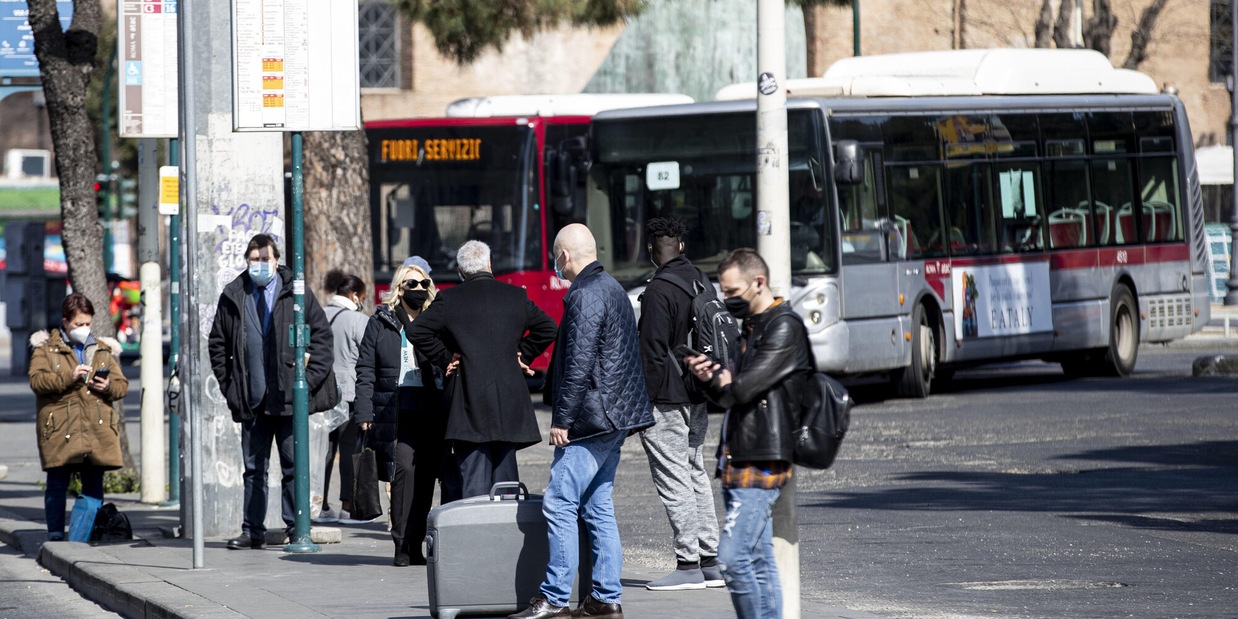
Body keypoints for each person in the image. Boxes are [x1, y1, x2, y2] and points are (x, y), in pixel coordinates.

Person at [510, 224, 654, 619]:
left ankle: (554, 598)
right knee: (596, 505)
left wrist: (562, 419)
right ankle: (605, 597)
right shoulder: (610, 288)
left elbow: (580, 362)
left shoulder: (585, 294)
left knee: (559, 502)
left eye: (556, 255)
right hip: (615, 414)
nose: (556, 263)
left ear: (565, 256)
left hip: (592, 418)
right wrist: (542, 379)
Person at [686, 248, 813, 619]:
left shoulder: (783, 326)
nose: (727, 300)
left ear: (759, 283)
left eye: (732, 292)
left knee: (732, 559)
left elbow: (742, 389)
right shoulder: (753, 327)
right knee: (757, 559)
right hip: (740, 455)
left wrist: (727, 380)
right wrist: (709, 376)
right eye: (723, 293)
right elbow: (730, 395)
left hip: (761, 458)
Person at [208, 233, 334, 550]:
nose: (260, 265)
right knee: (253, 471)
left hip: (289, 398)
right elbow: (218, 345)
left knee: (293, 467)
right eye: (254, 259)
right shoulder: (234, 294)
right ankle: (253, 530)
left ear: (276, 261)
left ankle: (296, 527)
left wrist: (308, 382)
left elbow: (322, 340)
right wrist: (231, 389)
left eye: (265, 259)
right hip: (252, 400)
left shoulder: (297, 294)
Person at [408, 240, 557, 502]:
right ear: (490, 264)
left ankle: (474, 541)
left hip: (468, 403)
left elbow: (416, 330)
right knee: (507, 485)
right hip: (509, 403)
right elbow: (548, 328)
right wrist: (522, 354)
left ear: (461, 271)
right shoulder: (515, 296)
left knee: (473, 486)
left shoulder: (449, 299)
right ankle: (505, 540)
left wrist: (445, 358)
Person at [635, 217, 723, 591]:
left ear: (652, 250)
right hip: (699, 392)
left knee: (673, 477)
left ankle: (687, 564)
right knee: (694, 470)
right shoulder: (702, 280)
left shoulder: (658, 291)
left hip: (667, 399)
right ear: (682, 246)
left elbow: (651, 353)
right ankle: (710, 561)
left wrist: (645, 404)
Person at [354, 257, 447, 566]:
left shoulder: (436, 320)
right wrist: (364, 412)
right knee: (404, 470)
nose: (418, 289)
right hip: (397, 409)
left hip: (432, 409)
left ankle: (417, 542)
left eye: (424, 284)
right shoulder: (381, 322)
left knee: (427, 477)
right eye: (411, 283)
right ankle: (401, 544)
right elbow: (366, 369)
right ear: (399, 288)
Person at [29, 293, 129, 542]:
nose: (84, 329)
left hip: (95, 427)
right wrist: (69, 376)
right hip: (61, 427)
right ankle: (54, 534)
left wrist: (106, 386)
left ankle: (78, 538)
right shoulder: (46, 350)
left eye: (88, 323)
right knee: (57, 482)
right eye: (78, 324)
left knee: (93, 485)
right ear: (65, 321)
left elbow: (121, 385)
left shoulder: (102, 349)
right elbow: (37, 381)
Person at [315, 271, 369, 524]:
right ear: (354, 295)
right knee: (349, 451)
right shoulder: (358, 320)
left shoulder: (319, 315)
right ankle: (347, 506)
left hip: (320, 393)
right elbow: (369, 356)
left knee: (323, 451)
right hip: (349, 394)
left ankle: (320, 504)